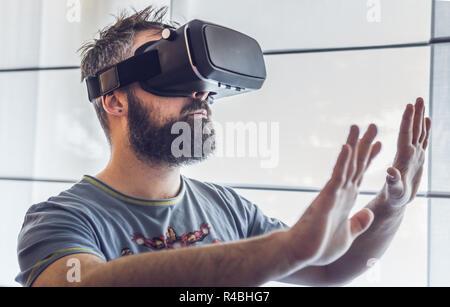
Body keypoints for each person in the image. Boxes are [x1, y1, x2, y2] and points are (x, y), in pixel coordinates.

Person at [16, 6, 431, 287]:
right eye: (171, 74)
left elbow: (326, 267)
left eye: (201, 83)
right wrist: (283, 250)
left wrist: (393, 205)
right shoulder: (62, 219)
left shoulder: (227, 207)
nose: (200, 95)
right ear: (114, 99)